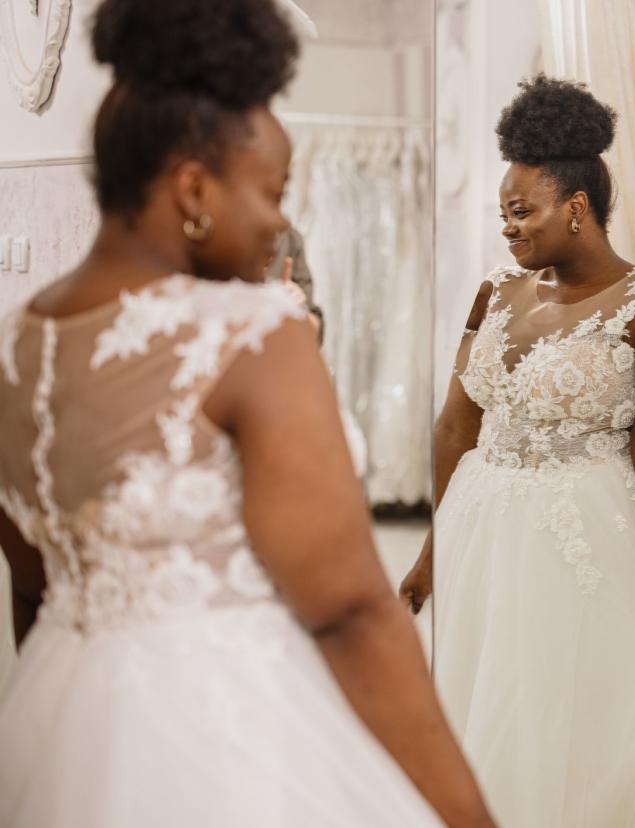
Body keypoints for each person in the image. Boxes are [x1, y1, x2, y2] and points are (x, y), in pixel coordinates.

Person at [0, 1, 492, 826]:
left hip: (59, 722)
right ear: (193, 190)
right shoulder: (251, 331)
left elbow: (32, 587)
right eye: (273, 193)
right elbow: (352, 614)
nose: (280, 224)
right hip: (230, 737)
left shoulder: (19, 345)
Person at [400, 75, 635, 828]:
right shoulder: (495, 294)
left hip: (583, 540)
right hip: (482, 530)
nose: (508, 229)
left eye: (520, 211)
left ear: (576, 209)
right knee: (488, 706)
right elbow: (456, 426)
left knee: (575, 717)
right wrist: (432, 549)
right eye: (503, 214)